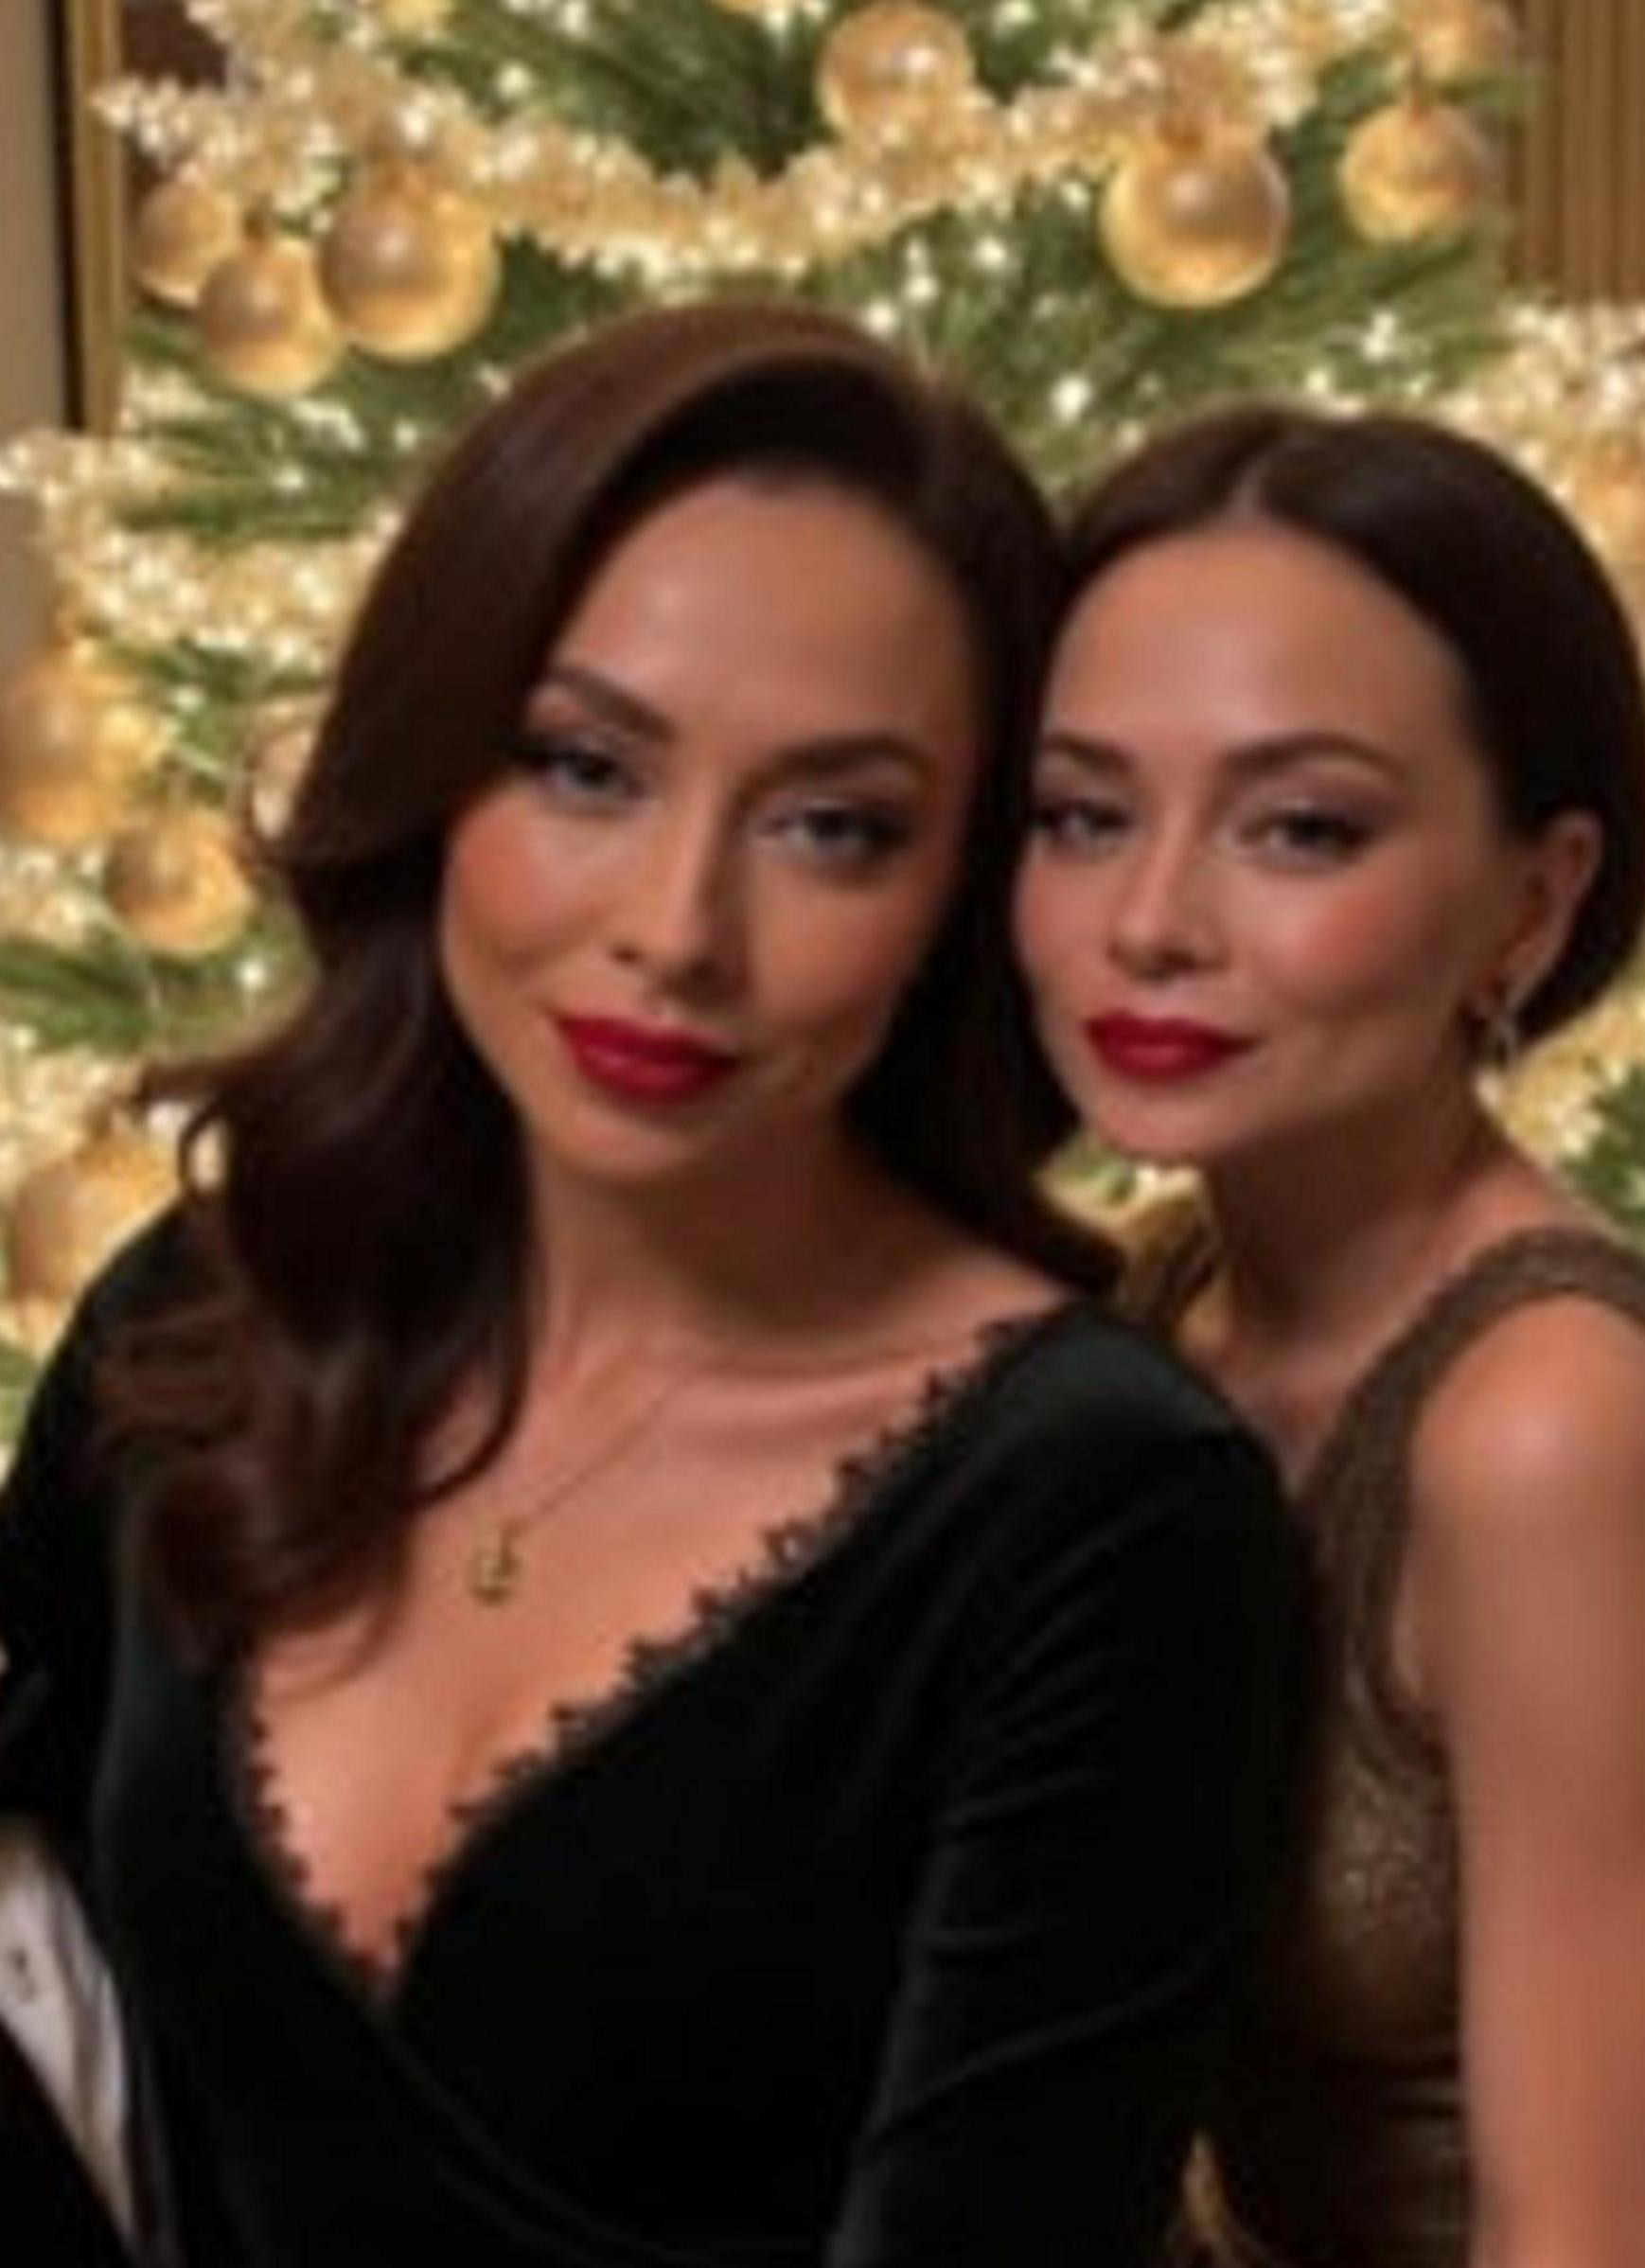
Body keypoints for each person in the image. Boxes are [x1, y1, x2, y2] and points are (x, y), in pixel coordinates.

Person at [0, 304, 1302, 2267]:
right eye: (583, 767)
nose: (678, 930)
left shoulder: (1103, 1511)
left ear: (960, 890)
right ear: (438, 769)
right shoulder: (207, 1311)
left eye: (832, 827)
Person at [1015, 402, 1645, 2268]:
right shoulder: (1154, 1298)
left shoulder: (1542, 1431)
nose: (1149, 921)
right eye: (1083, 814)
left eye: (1300, 826)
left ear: (1531, 902)